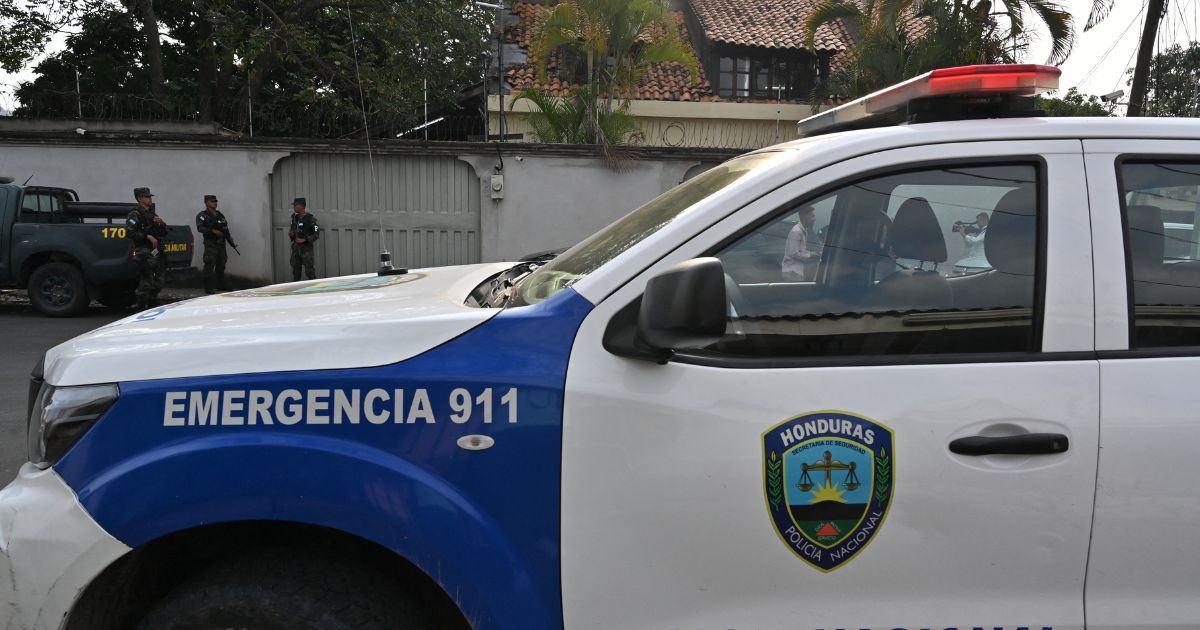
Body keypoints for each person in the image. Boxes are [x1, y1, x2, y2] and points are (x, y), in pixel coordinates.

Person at [126, 187, 169, 309]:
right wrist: (147, 236)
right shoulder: (135, 214)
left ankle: (152, 302)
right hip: (143, 250)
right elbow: (130, 232)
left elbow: (164, 232)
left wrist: (161, 223)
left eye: (150, 197)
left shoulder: (152, 214)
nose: (150, 199)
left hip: (156, 251)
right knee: (146, 279)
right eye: (147, 197)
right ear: (140, 198)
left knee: (159, 280)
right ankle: (141, 306)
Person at [195, 194, 234, 294]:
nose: (215, 203)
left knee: (221, 264)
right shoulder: (202, 215)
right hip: (211, 244)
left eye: (216, 201)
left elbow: (225, 228)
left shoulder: (220, 214)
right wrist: (213, 231)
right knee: (209, 264)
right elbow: (200, 228)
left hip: (221, 244)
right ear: (206, 203)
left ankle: (221, 285)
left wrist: (230, 239)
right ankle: (208, 287)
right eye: (212, 201)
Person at [781, 205, 821, 281]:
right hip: (792, 271)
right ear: (804, 216)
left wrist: (813, 253)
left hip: (796, 271)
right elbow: (794, 253)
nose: (814, 219)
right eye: (812, 216)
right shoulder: (796, 231)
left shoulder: (803, 231)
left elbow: (800, 251)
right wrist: (811, 254)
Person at [288, 197, 320, 281]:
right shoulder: (294, 218)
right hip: (296, 249)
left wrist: (305, 239)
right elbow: (292, 230)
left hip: (306, 250)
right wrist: (291, 234)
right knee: (296, 271)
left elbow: (316, 234)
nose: (294, 207)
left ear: (302, 206)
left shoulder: (310, 219)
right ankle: (296, 287)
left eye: (296, 205)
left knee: (310, 272)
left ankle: (313, 287)